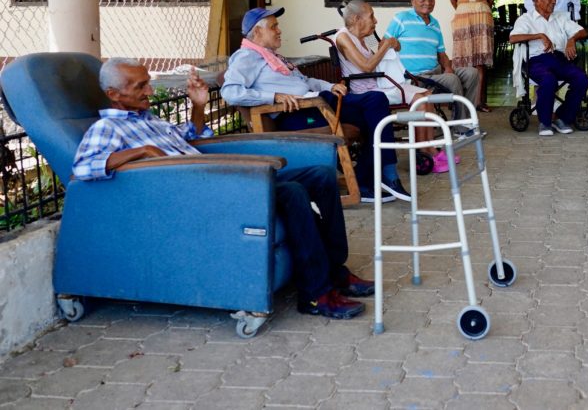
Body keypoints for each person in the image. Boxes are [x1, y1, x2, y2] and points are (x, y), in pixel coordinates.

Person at [72, 58, 372, 320]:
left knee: (320, 175)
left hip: (212, 180)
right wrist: (142, 152)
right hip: (197, 194)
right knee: (292, 191)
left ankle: (335, 270)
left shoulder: (147, 119)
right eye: (140, 87)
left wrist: (199, 106)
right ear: (113, 94)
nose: (150, 91)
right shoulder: (107, 129)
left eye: (148, 83)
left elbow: (189, 136)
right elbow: (83, 167)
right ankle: (314, 295)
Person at [221, 7, 408, 204]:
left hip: (316, 104)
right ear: (257, 32)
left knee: (374, 113)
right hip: (300, 114)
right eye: (274, 26)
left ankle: (371, 178)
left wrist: (332, 86)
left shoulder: (270, 55)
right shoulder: (246, 57)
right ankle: (383, 175)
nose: (279, 30)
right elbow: (230, 92)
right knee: (375, 102)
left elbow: (305, 81)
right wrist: (273, 96)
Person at [335, 0, 451, 173]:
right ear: (355, 19)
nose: (375, 21)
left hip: (381, 83)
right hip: (368, 92)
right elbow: (367, 66)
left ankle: (430, 149)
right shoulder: (343, 36)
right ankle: (420, 153)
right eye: (371, 16)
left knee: (427, 95)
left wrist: (393, 45)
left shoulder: (365, 38)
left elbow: (381, 55)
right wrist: (387, 44)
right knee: (420, 100)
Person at [386, 0, 480, 127]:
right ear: (412, 0)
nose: (427, 2)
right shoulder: (401, 18)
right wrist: (393, 45)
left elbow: (442, 54)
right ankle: (461, 126)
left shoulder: (435, 23)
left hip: (436, 72)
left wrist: (448, 68)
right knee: (452, 80)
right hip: (416, 76)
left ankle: (466, 118)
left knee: (472, 73)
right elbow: (383, 45)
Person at [510, 0, 588, 136]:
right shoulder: (526, 19)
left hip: (558, 59)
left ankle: (562, 117)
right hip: (536, 61)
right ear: (537, 0)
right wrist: (539, 35)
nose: (553, 1)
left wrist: (571, 39)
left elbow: (582, 31)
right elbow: (513, 38)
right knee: (548, 80)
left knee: (582, 79)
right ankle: (545, 123)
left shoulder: (560, 17)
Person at [449, 0, 494, 111]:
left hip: (482, 21)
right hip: (463, 21)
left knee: (479, 63)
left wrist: (480, 11)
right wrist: (463, 12)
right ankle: (460, 101)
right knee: (462, 60)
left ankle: (478, 102)